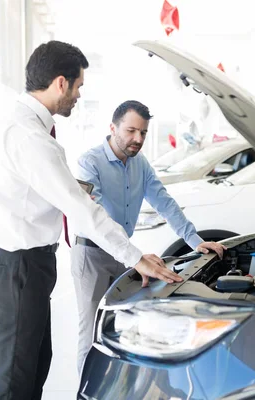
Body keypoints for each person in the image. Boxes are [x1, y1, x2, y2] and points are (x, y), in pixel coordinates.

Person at [0, 42, 182, 400]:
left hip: (14, 264)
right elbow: (81, 210)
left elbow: (33, 192)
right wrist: (135, 257)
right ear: (60, 83)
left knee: (32, 366)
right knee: (14, 383)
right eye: (78, 86)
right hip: (18, 267)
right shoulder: (30, 137)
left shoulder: (11, 123)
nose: (78, 95)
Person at [73, 100, 227, 373]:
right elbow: (94, 216)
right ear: (112, 128)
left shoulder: (140, 164)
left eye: (143, 133)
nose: (138, 139)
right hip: (93, 255)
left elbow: (164, 203)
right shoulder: (90, 162)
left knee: (120, 328)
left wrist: (194, 240)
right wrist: (135, 256)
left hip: (125, 255)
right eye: (131, 131)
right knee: (92, 332)